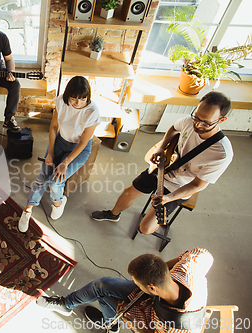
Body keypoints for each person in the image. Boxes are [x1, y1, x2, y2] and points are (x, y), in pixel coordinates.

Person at [92, 91, 233, 235]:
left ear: (221, 120)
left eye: (206, 122)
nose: (197, 124)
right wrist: (161, 148)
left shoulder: (221, 154)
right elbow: (174, 128)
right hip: (163, 167)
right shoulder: (189, 121)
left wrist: (168, 198)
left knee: (145, 229)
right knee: (128, 192)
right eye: (196, 117)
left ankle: (159, 219)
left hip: (179, 187)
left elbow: (196, 185)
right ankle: (113, 215)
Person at [36, 248, 213, 333]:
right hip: (154, 297)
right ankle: (66, 305)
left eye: (137, 282)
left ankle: (111, 326)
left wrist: (138, 327)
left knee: (105, 299)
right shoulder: (189, 267)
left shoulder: (172, 328)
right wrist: (159, 270)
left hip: (149, 320)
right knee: (103, 284)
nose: (134, 283)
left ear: (151, 287)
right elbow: (204, 253)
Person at [18, 76, 100, 232]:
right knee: (43, 178)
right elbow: (54, 127)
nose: (78, 103)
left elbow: (83, 142)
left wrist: (65, 163)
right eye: (74, 98)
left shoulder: (92, 112)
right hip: (60, 141)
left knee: (56, 181)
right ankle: (27, 210)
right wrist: (50, 152)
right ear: (67, 95)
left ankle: (58, 202)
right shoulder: (62, 101)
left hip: (79, 147)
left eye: (82, 99)